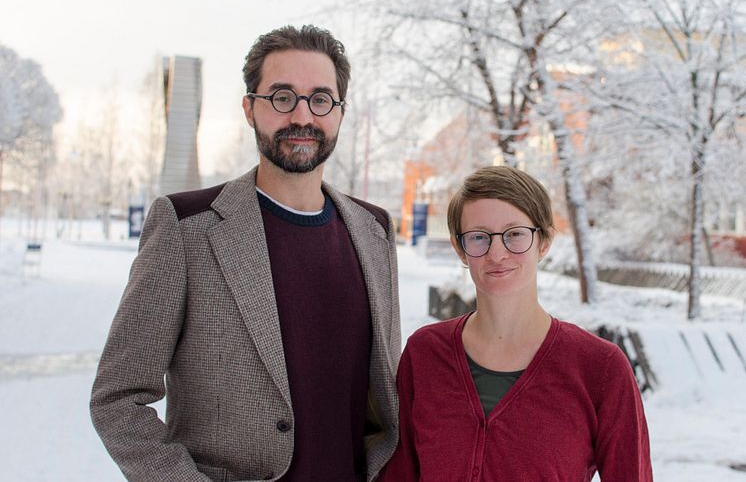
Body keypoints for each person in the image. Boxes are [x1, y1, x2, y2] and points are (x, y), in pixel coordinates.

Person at [90, 24, 401, 482]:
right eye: (281, 96)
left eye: (320, 99)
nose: (302, 116)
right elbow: (118, 399)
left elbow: (382, 396)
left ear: (339, 112)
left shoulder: (374, 230)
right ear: (249, 109)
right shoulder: (186, 228)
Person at [380, 166, 652, 481]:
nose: (497, 253)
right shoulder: (425, 354)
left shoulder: (600, 368)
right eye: (479, 237)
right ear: (460, 248)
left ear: (545, 241)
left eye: (515, 235)